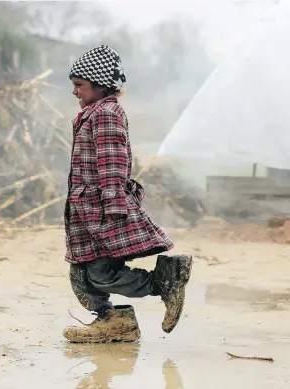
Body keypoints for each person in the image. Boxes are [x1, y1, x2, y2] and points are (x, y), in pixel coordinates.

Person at [63, 45, 192, 343]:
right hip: (86, 210)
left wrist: (113, 207)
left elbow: (112, 164)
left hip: (101, 210)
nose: (74, 92)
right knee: (81, 275)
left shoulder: (106, 115)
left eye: (79, 85)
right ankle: (115, 322)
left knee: (102, 274)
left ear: (100, 85)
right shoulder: (94, 113)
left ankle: (164, 281)